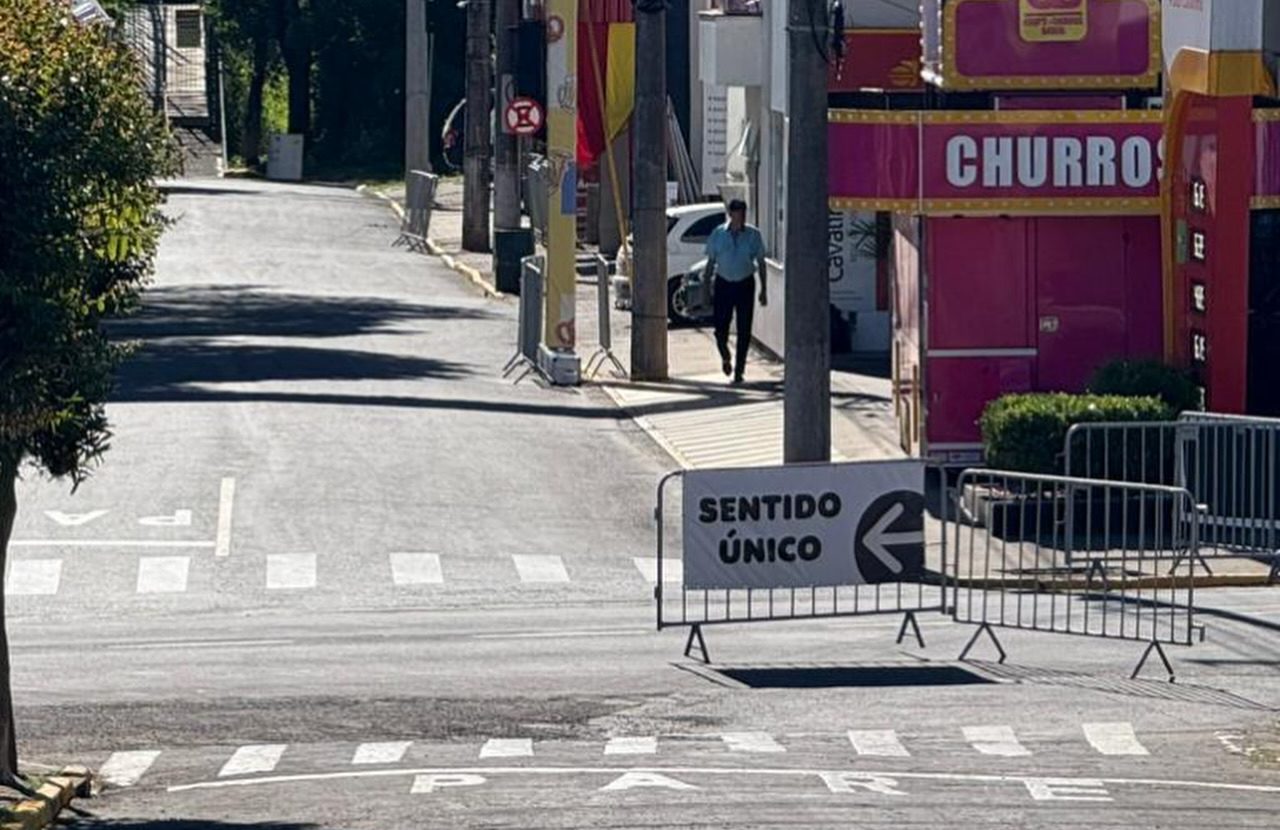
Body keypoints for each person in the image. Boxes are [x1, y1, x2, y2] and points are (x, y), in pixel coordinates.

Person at [702, 198, 768, 384]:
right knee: (720, 327)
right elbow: (710, 263)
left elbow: (761, 262)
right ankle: (725, 355)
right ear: (731, 214)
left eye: (744, 214)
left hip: (745, 283)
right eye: (738, 213)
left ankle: (739, 370)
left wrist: (764, 289)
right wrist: (706, 290)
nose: (741, 218)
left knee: (744, 329)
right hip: (724, 283)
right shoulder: (718, 234)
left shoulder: (753, 235)